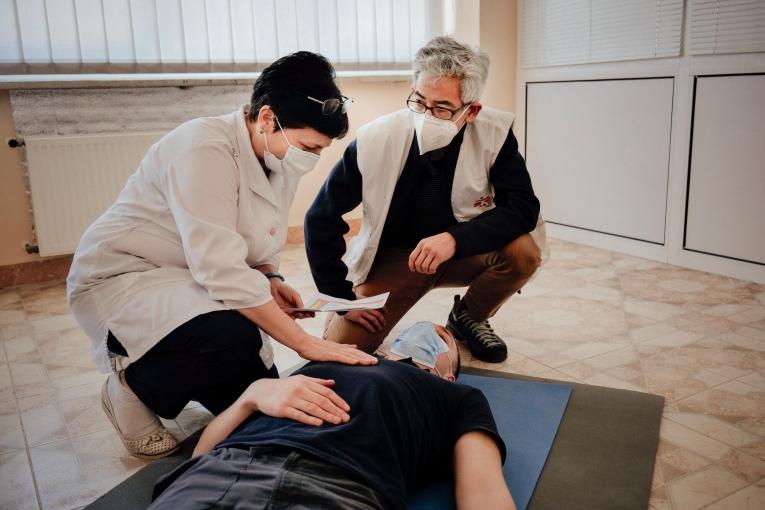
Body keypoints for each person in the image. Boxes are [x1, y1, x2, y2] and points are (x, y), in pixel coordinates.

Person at [66, 52, 376, 460]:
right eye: (307, 146)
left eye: (319, 150)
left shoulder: (275, 157)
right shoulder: (201, 146)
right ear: (267, 118)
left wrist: (272, 279)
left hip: (191, 276)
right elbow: (221, 268)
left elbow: (257, 245)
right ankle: (129, 389)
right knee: (232, 335)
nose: (311, 159)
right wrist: (306, 345)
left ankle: (195, 374)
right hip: (126, 276)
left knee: (264, 411)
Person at [304, 36, 548, 363]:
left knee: (524, 253)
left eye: (442, 108)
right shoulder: (377, 139)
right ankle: (347, 316)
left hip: (462, 249)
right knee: (341, 354)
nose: (426, 115)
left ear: (472, 110)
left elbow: (523, 207)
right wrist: (341, 299)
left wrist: (454, 240)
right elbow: (320, 218)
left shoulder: (494, 133)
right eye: (419, 101)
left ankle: (469, 318)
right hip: (398, 258)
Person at [148, 323, 516, 510]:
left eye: (441, 336)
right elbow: (201, 457)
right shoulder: (325, 360)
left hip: (336, 487)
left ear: (447, 370)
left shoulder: (456, 394)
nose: (424, 328)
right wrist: (251, 395)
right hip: (221, 472)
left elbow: (483, 488)